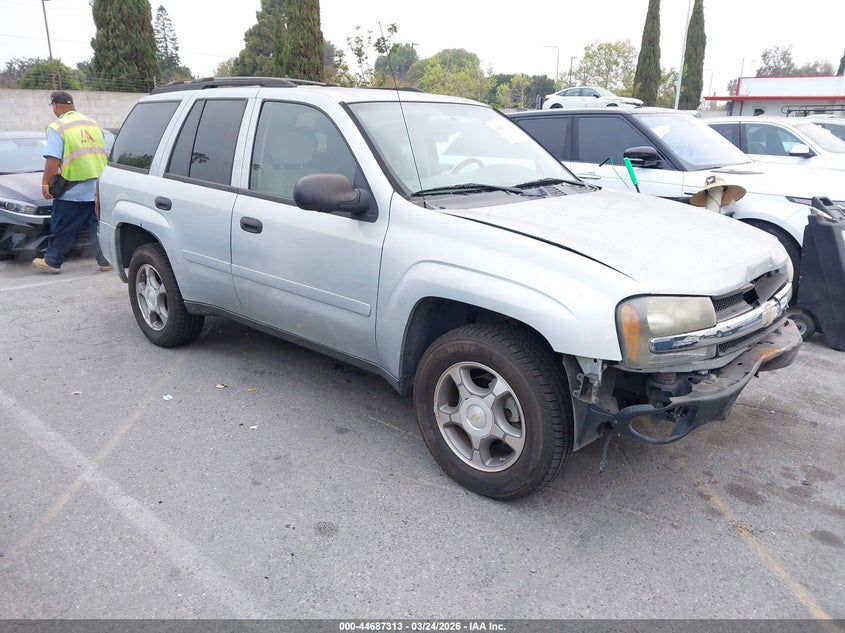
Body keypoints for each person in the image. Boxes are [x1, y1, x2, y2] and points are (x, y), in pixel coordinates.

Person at [33, 90, 111, 274]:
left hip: (72, 189)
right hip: (97, 187)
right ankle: (105, 261)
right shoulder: (93, 123)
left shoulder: (58, 127)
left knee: (62, 226)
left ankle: (52, 261)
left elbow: (53, 158)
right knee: (96, 226)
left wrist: (45, 183)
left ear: (55, 105)